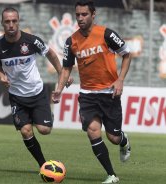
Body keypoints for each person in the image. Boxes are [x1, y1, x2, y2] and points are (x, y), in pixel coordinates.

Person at [52, 0, 132, 183]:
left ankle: (123, 140)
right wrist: (59, 89)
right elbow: (66, 68)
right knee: (93, 131)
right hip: (87, 95)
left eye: (84, 14)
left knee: (113, 137)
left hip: (109, 93)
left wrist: (120, 80)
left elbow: (127, 54)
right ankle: (111, 175)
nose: (80, 18)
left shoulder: (106, 34)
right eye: (77, 15)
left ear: (93, 14)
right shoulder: (71, 41)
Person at [0, 7, 73, 169]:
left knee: (44, 130)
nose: (11, 25)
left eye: (14, 21)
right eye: (7, 21)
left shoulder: (32, 41)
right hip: (16, 96)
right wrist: (1, 77)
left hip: (37, 93)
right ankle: (44, 166)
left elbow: (52, 54)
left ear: (18, 21)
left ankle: (45, 117)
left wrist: (61, 73)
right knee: (26, 131)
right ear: (2, 23)